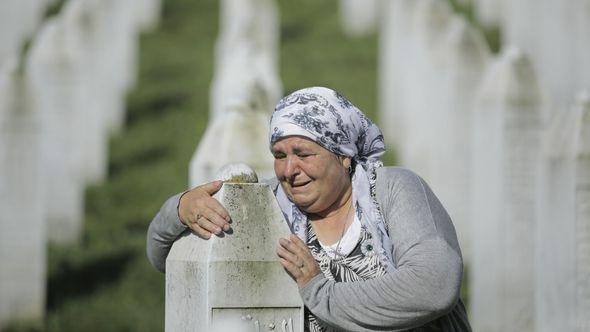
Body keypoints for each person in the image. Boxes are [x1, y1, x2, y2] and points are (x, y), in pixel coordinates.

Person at [147, 87, 472, 331]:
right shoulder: (267, 205)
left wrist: (320, 292)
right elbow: (172, 263)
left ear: (343, 155)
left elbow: (435, 284)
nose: (289, 170)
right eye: (279, 154)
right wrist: (178, 209)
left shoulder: (392, 190)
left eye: (303, 153)